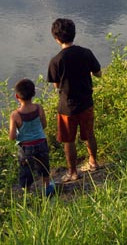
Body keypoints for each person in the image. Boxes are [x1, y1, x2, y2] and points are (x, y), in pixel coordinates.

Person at [46, 18, 102, 181]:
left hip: (67, 108)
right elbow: (98, 73)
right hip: (86, 104)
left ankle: (72, 172)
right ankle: (93, 162)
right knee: (89, 134)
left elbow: (56, 86)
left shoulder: (56, 61)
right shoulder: (86, 53)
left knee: (68, 141)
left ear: (56, 38)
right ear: (74, 34)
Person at [9, 78, 55, 197]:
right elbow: (44, 124)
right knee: (44, 167)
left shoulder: (15, 115)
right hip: (41, 143)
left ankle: (27, 193)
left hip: (26, 148)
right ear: (34, 94)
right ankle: (47, 189)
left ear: (16, 96)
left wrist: (22, 134)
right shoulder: (39, 108)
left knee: (26, 170)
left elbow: (12, 136)